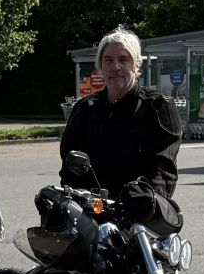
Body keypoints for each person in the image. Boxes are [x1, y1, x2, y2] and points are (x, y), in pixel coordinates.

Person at [59, 25, 182, 203]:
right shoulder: (85, 109)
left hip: (137, 208)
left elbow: (162, 170)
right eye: (108, 60)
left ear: (136, 64)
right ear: (100, 66)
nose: (115, 67)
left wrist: (143, 200)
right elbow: (70, 165)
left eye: (123, 59)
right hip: (91, 207)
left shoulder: (156, 107)